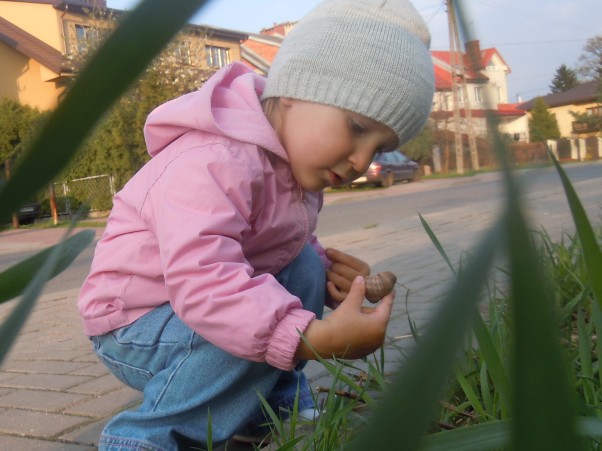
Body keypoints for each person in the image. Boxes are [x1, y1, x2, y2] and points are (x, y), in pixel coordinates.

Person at [77, 0, 435, 449]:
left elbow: (281, 241)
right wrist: (311, 336)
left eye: (381, 148)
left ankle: (270, 412)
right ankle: (148, 437)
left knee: (304, 266)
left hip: (189, 306)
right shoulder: (212, 160)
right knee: (242, 325)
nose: (362, 160)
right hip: (135, 325)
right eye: (357, 127)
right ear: (294, 88)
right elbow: (206, 283)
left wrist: (333, 278)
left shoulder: (290, 163)